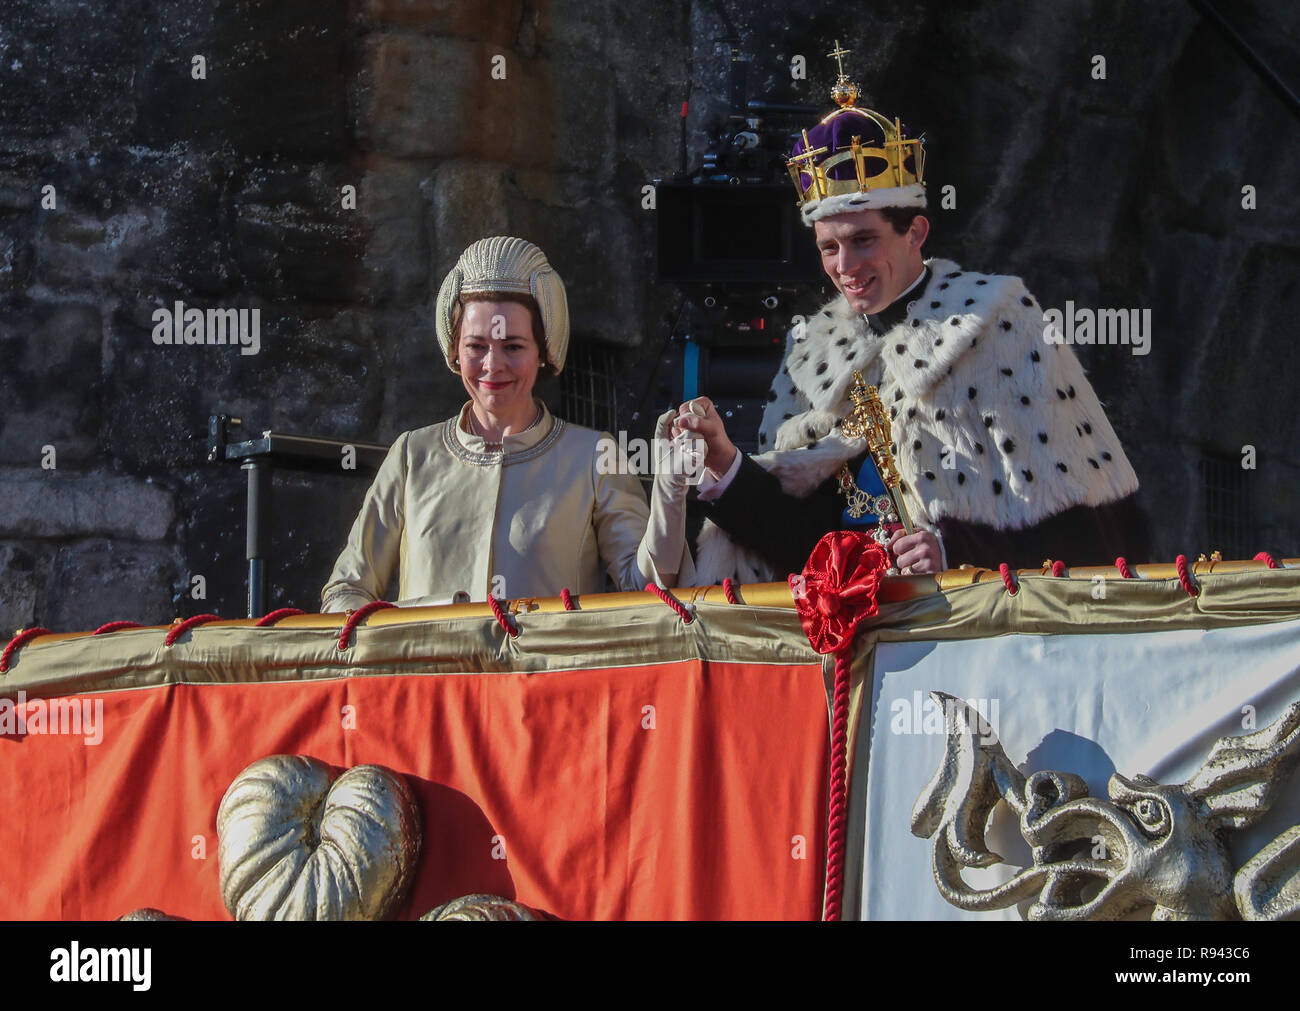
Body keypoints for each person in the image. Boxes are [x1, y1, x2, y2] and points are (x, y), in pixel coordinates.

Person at [676, 60, 1148, 583]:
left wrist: (956, 556)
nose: (845, 267)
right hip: (849, 636)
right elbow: (798, 546)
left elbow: (1091, 525)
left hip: (965, 630)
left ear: (916, 232)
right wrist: (724, 463)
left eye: (863, 240)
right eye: (829, 248)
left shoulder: (998, 321)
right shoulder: (811, 354)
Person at [320, 235, 694, 612]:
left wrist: (670, 487)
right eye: (476, 346)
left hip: (546, 673)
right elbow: (346, 589)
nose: (492, 365)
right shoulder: (411, 455)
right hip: (430, 673)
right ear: (454, 348)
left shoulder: (594, 456)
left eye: (513, 346)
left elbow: (649, 591)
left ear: (544, 352)